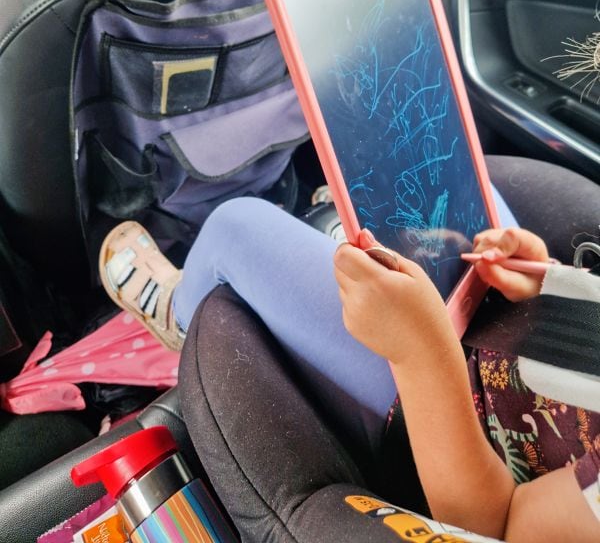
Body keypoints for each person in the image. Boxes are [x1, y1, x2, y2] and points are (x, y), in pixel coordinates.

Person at [99, 197, 600, 542]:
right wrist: (551, 288)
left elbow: (499, 524)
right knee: (465, 185)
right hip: (520, 330)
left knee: (235, 228)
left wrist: (418, 353)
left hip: (454, 411)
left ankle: (179, 311)